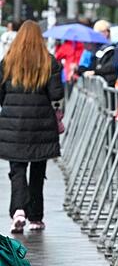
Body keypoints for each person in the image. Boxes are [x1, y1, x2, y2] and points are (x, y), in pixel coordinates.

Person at [0, 21, 64, 233]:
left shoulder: (8, 61)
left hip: (13, 125)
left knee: (17, 169)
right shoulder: (49, 62)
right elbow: (57, 95)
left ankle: (18, 210)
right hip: (41, 124)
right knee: (38, 169)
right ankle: (35, 217)